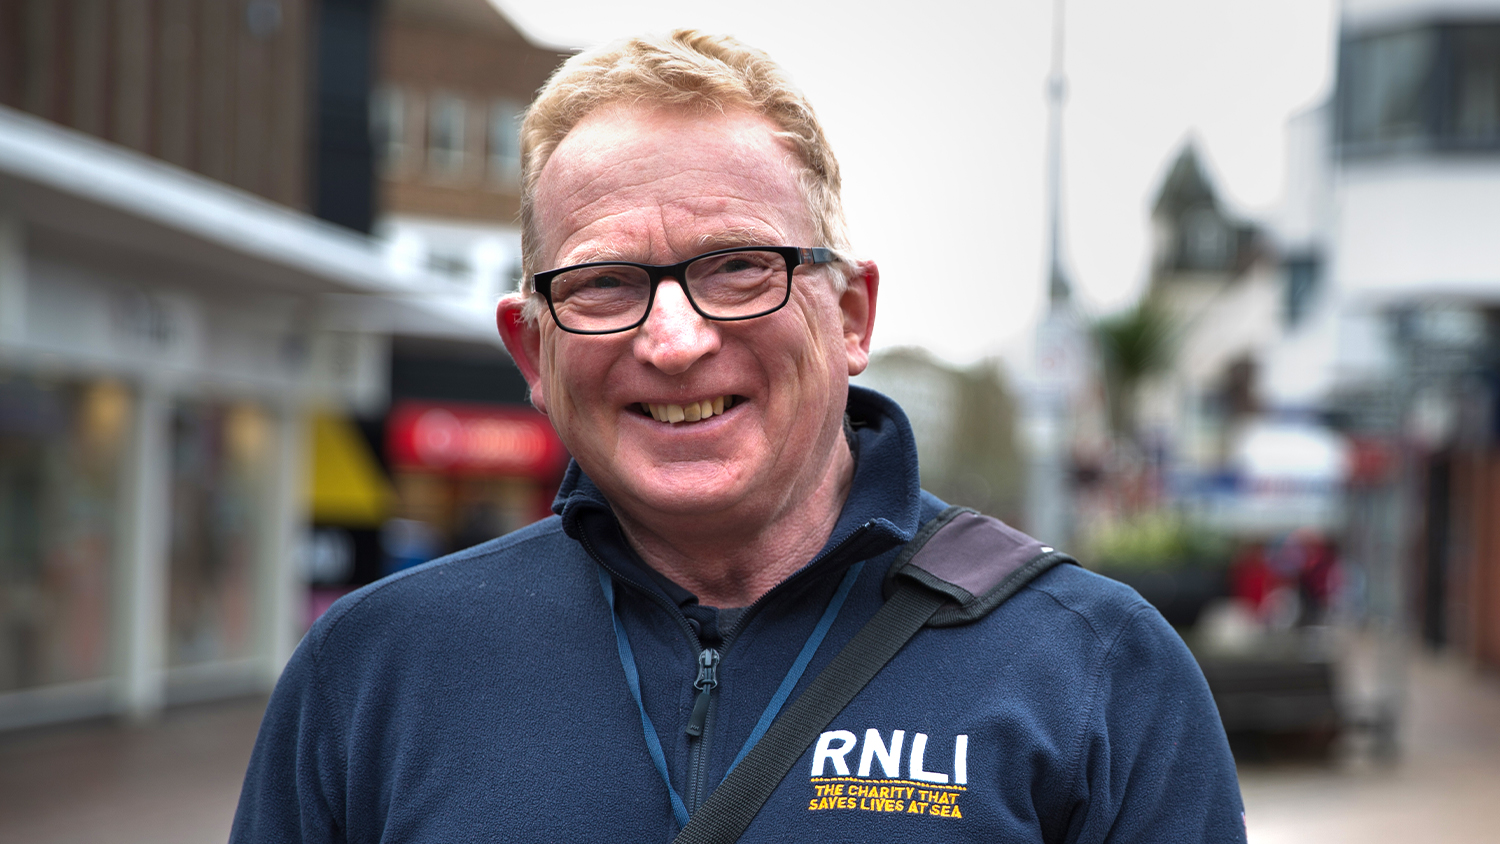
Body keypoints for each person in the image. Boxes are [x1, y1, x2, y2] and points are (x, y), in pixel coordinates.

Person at [232, 30, 1246, 843]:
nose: (674, 341)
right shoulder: (370, 675)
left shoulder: (1099, 670)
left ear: (850, 315)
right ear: (532, 353)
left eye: (738, 267)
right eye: (603, 283)